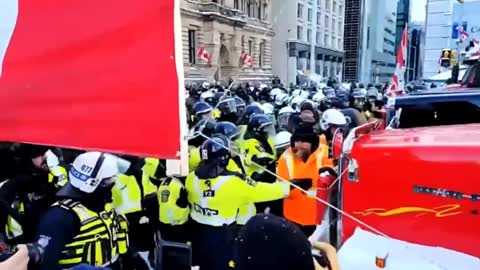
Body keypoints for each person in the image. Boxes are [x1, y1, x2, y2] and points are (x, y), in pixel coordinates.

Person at [185, 137, 294, 270]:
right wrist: (289, 186)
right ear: (224, 158)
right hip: (222, 236)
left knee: (206, 265)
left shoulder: (191, 179)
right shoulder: (233, 183)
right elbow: (265, 191)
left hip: (199, 234)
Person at [33, 152, 146, 270]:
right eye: (108, 181)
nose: (113, 183)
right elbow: (43, 265)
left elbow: (115, 238)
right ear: (90, 183)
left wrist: (134, 258)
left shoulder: (106, 207)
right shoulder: (59, 217)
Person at [0, 144, 67, 244]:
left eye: (46, 151)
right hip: (24, 246)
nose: (45, 156)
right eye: (38, 154)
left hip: (56, 238)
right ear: (26, 158)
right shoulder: (11, 186)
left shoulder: (56, 176)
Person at [277, 126, 330, 237]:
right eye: (297, 141)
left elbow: (332, 181)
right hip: (293, 218)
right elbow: (281, 188)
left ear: (313, 143)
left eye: (304, 141)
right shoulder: (285, 159)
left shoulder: (324, 154)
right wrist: (296, 186)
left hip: (319, 218)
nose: (300, 145)